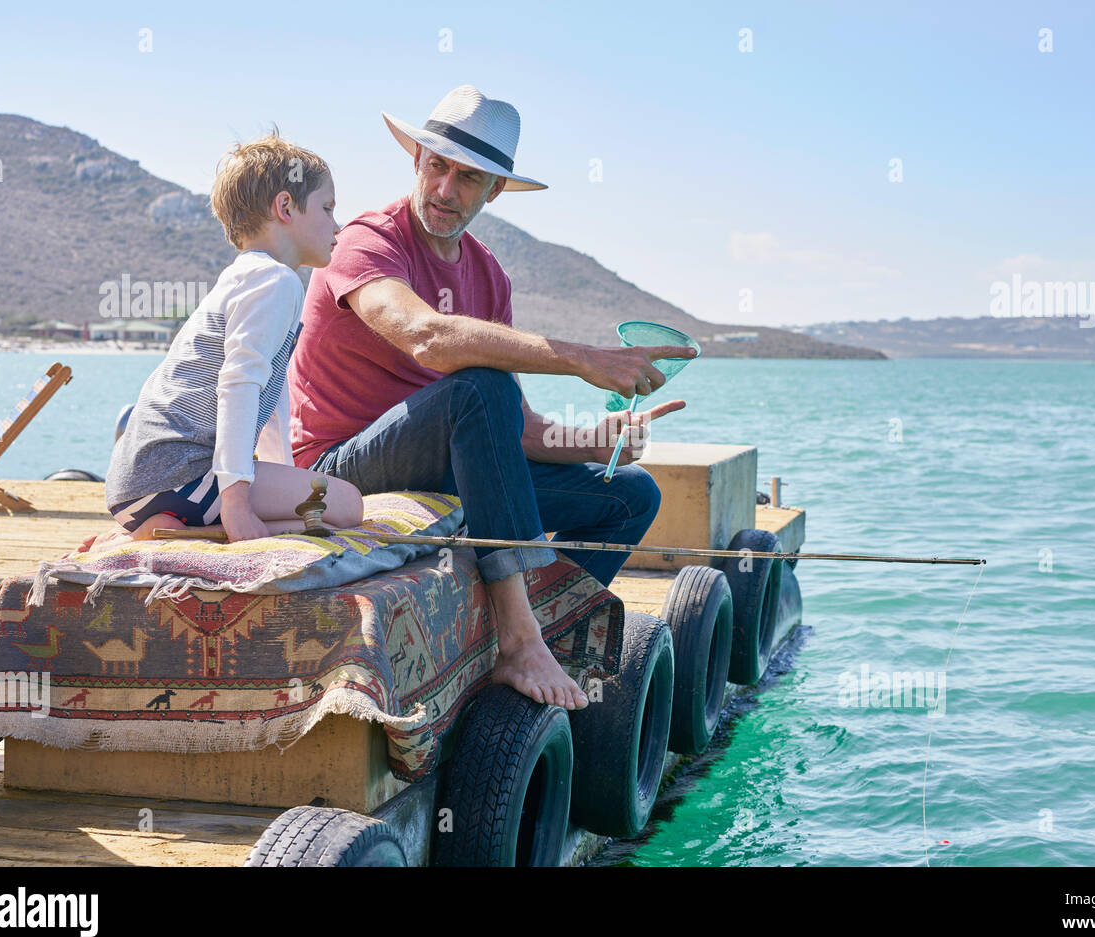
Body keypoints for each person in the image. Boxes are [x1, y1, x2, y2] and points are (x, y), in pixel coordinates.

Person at [288, 86, 696, 711]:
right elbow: (427, 338)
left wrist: (600, 440)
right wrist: (581, 358)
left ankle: (551, 638)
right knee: (479, 384)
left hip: (450, 464)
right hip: (340, 470)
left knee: (631, 494)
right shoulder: (368, 241)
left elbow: (518, 430)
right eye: (437, 166)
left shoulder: (488, 274)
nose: (446, 189)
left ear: (494, 192)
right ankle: (517, 637)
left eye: (469, 177)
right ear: (417, 161)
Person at [103, 133, 364, 544]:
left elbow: (271, 399)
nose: (337, 225)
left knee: (322, 512)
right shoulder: (275, 280)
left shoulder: (244, 277)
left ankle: (177, 530)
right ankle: (214, 527)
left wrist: (289, 478)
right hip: (181, 475)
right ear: (285, 207)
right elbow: (239, 385)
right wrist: (239, 503)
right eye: (327, 208)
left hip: (135, 488)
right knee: (348, 506)